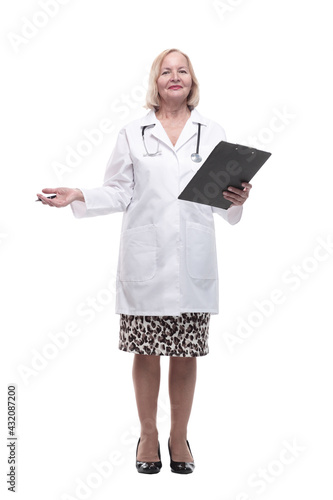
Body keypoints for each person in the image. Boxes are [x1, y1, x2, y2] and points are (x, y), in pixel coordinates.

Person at [36, 48, 252, 474]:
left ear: (192, 80)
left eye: (182, 70)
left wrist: (237, 199)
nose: (175, 77)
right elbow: (119, 190)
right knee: (146, 351)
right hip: (145, 263)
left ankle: (179, 437)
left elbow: (223, 199)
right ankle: (149, 435)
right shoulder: (133, 132)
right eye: (166, 71)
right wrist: (80, 194)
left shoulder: (213, 132)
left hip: (193, 259)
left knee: (186, 352)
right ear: (155, 81)